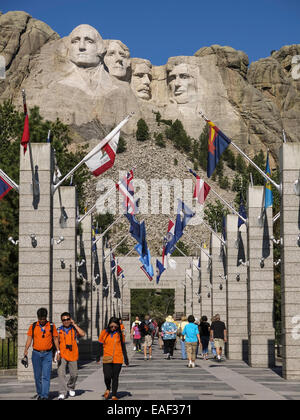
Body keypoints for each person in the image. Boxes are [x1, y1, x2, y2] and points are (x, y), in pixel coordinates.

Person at [23, 308, 60, 400]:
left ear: (46, 317)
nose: (42, 321)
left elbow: (55, 339)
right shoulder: (33, 326)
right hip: (36, 354)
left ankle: (45, 395)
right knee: (37, 376)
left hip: (47, 354)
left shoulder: (51, 326)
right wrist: (26, 349)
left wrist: (58, 351)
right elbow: (29, 338)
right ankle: (39, 393)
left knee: (46, 376)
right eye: (40, 319)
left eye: (43, 319)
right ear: (38, 317)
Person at [97, 317, 129, 400]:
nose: (113, 328)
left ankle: (114, 395)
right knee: (107, 376)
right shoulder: (104, 332)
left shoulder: (120, 334)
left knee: (115, 377)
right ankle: (108, 388)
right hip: (107, 357)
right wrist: (98, 356)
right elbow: (100, 345)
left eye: (115, 327)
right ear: (109, 325)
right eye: (112, 326)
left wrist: (126, 359)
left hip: (117, 358)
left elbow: (123, 347)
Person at [57, 312, 85, 400]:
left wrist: (75, 324)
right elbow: (55, 342)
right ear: (62, 321)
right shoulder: (59, 330)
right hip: (62, 355)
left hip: (73, 354)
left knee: (74, 374)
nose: (66, 321)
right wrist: (57, 353)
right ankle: (62, 392)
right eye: (64, 320)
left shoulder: (74, 329)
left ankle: (70, 387)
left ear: (70, 319)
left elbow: (83, 334)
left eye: (67, 319)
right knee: (61, 374)